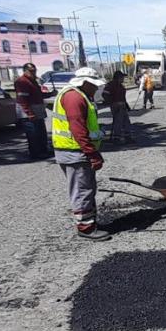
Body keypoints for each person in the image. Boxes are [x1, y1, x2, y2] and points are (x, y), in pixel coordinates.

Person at [51, 67, 110, 241]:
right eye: (94, 85)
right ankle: (86, 228)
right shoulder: (74, 98)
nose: (96, 89)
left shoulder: (79, 95)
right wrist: (92, 154)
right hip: (74, 152)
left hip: (76, 150)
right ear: (84, 82)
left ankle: (90, 222)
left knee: (87, 188)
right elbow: (78, 129)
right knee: (82, 190)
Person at [14, 63, 53, 159]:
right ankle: (36, 154)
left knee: (41, 133)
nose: (33, 72)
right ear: (25, 71)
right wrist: (29, 113)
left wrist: (50, 94)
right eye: (31, 71)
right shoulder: (21, 82)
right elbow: (22, 99)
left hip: (38, 113)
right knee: (33, 135)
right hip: (28, 114)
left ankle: (43, 151)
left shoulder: (33, 81)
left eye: (34, 70)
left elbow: (39, 95)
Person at [102, 70, 133, 144]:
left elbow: (123, 97)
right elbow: (105, 95)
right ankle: (116, 138)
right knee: (118, 122)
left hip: (122, 106)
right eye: (122, 77)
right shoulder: (110, 85)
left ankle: (128, 137)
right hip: (116, 106)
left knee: (126, 122)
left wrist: (127, 106)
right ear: (118, 77)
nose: (123, 79)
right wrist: (112, 103)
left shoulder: (121, 86)